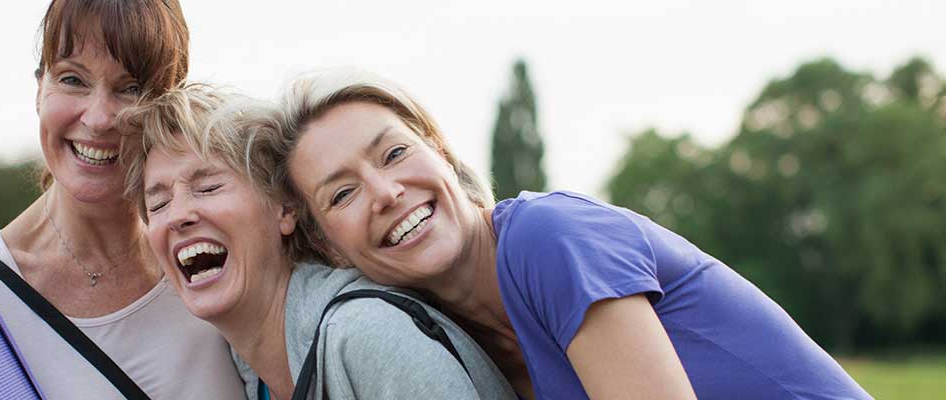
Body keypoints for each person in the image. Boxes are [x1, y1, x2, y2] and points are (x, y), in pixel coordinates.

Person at [264, 67, 872, 400]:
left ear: (443, 155)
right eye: (342, 193)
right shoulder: (447, 341)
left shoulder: (548, 238)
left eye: (394, 153)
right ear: (326, 245)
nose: (386, 192)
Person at [119, 83, 517, 400]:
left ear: (285, 210)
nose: (178, 214)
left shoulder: (367, 337)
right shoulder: (244, 370)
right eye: (158, 203)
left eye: (207, 187)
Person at [0, 1, 244, 398]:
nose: (98, 118)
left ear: (170, 105)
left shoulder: (217, 256)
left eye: (130, 88)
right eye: (72, 80)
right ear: (39, 88)